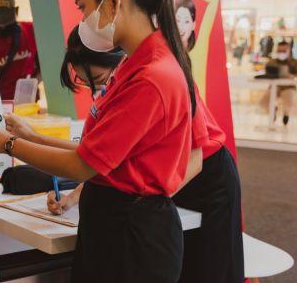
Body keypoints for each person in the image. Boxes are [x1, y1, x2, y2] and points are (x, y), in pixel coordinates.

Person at [0, 0, 200, 282]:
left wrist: (6, 145)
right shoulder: (137, 65)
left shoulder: (150, 77)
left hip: (132, 240)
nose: (82, 19)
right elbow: (100, 152)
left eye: (83, 6)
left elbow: (83, 164)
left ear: (113, 0)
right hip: (115, 226)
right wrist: (31, 137)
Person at [21, 25, 244, 283]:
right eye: (85, 81)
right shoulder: (122, 82)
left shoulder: (158, 79)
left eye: (99, 78)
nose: (96, 88)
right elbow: (106, 157)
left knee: (208, 271)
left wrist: (148, 203)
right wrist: (74, 197)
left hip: (206, 178)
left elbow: (192, 158)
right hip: (164, 183)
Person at [261, 40, 297, 125]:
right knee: (264, 101)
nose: (281, 53)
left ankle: (286, 114)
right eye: (279, 51)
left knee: (289, 100)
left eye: (283, 51)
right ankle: (273, 112)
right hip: (274, 87)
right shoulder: (272, 62)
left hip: (288, 87)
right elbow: (267, 73)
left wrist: (292, 76)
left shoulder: (295, 62)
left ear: (288, 50)